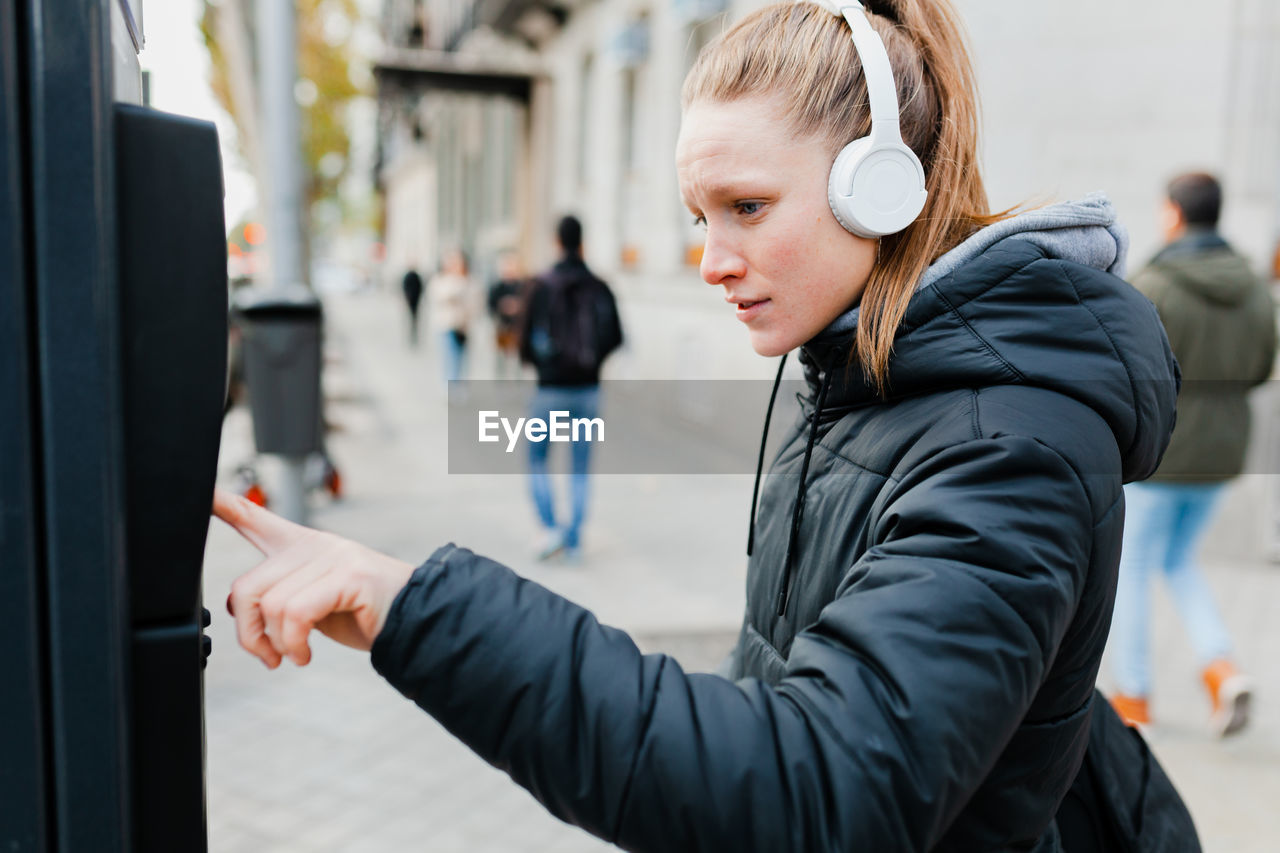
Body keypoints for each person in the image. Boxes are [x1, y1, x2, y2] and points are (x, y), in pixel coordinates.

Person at [214, 2, 1192, 849]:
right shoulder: (854, 377)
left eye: (746, 207)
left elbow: (820, 793)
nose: (712, 259)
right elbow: (781, 688)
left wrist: (418, 608)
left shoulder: (1005, 445)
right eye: (697, 217)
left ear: (880, 189)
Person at [1107, 172, 1276, 737]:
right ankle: (1221, 669)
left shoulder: (1157, 283)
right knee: (1178, 561)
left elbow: (1126, 371)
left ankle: (1133, 699)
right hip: (1225, 453)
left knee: (1130, 567)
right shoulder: (1255, 288)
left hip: (1163, 450)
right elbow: (1259, 371)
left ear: (1175, 214)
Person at [518, 216, 623, 562]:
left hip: (549, 390)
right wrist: (591, 363)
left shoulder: (540, 285)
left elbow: (523, 341)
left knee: (536, 460)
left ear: (556, 242)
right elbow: (615, 337)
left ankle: (550, 529)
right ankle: (574, 542)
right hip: (587, 391)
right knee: (579, 467)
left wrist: (544, 364)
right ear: (582, 243)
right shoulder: (599, 286)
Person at [427, 248, 473, 385]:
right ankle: (450, 386)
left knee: (461, 358)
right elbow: (439, 296)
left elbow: (475, 301)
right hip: (447, 325)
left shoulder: (468, 280)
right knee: (449, 357)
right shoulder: (441, 280)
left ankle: (458, 383)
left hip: (463, 326)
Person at [486, 251, 529, 378]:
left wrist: (517, 307)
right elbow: (491, 305)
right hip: (502, 326)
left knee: (516, 356)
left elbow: (527, 304)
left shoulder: (522, 285)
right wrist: (502, 307)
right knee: (501, 357)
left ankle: (516, 379)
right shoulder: (497, 286)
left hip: (517, 326)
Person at [400, 267, 424, 347]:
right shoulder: (409, 276)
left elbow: (420, 287)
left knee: (414, 318)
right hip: (412, 300)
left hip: (414, 300)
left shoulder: (414, 276)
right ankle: (411, 334)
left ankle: (413, 334)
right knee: (412, 318)